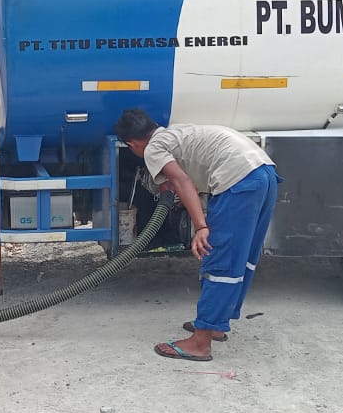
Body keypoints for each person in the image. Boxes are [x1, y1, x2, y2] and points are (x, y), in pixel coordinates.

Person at [115, 108, 281, 362]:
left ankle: (200, 343)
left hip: (237, 180)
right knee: (242, 257)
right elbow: (182, 176)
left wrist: (201, 226)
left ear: (132, 144)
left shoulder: (152, 148)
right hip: (263, 172)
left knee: (218, 258)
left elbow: (183, 182)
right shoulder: (175, 133)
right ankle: (215, 324)